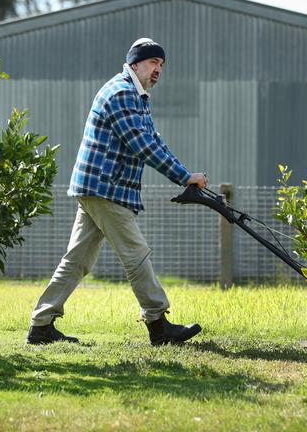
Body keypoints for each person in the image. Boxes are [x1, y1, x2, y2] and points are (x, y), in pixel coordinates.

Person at [27, 38, 208, 346]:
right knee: (137, 255)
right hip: (105, 188)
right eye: (152, 63)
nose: (158, 69)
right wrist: (183, 176)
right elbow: (143, 146)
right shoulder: (122, 93)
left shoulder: (139, 97)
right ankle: (158, 325)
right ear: (134, 64)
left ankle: (41, 326)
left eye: (161, 64)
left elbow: (155, 139)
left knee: (77, 261)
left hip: (99, 187)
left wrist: (186, 174)